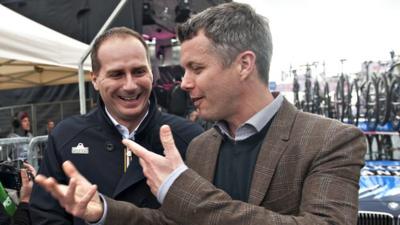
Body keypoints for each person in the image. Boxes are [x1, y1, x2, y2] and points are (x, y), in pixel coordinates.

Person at [35, 2, 367, 225]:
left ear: (244, 64)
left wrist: (182, 186)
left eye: (196, 68)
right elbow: (174, 221)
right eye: (185, 69)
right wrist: (103, 210)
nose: (185, 84)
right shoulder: (203, 146)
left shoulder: (329, 141)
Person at [30, 27, 204, 225]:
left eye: (138, 71)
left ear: (151, 73)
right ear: (95, 80)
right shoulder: (66, 137)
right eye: (117, 74)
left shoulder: (190, 138)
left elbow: (204, 215)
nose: (130, 85)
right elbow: (44, 215)